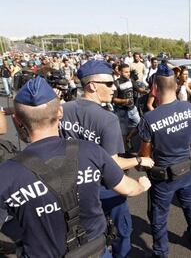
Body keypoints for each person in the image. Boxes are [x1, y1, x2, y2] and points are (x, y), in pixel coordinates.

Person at [0, 76, 152, 257]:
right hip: (94, 251)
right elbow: (128, 188)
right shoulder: (91, 151)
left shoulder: (7, 174)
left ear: (17, 121)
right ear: (60, 113)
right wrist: (142, 184)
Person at [59, 60, 154, 258]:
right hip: (105, 188)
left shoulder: (63, 110)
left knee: (84, 234)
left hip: (71, 187)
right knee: (121, 231)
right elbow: (112, 163)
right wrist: (139, 161)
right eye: (109, 84)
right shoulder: (107, 119)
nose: (114, 88)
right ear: (92, 86)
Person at [138, 63, 191, 258]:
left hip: (163, 177)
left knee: (159, 216)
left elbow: (144, 157)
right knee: (190, 205)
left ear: (154, 89)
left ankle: (161, 252)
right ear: (175, 86)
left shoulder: (149, 118)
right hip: (186, 169)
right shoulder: (189, 107)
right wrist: (188, 149)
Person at [112, 63, 141, 139]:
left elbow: (138, 89)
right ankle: (125, 148)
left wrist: (145, 91)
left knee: (140, 126)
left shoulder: (131, 80)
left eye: (129, 72)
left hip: (133, 110)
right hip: (121, 112)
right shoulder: (116, 83)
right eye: (126, 72)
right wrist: (123, 101)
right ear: (120, 72)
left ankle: (129, 138)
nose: (128, 74)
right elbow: (113, 99)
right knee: (123, 132)